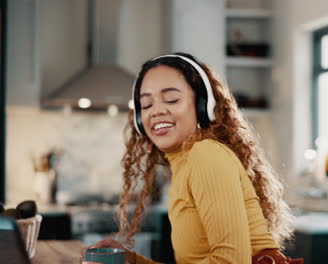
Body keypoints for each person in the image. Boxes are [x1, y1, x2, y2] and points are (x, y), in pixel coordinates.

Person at [81, 52, 303, 264]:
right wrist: (131, 260)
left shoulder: (205, 155)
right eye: (146, 104)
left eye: (171, 99)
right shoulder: (186, 163)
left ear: (202, 106)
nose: (156, 111)